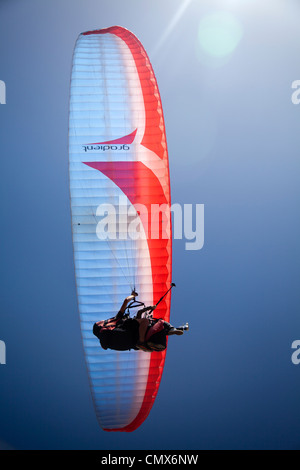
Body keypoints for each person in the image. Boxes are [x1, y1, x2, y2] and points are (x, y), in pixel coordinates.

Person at [93, 291, 188, 352]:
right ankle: (143, 341)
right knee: (146, 321)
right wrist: (133, 295)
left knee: (150, 329)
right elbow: (126, 301)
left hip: (128, 341)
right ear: (101, 324)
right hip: (128, 334)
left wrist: (149, 308)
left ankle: (150, 342)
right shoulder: (113, 320)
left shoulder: (105, 336)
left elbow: (139, 314)